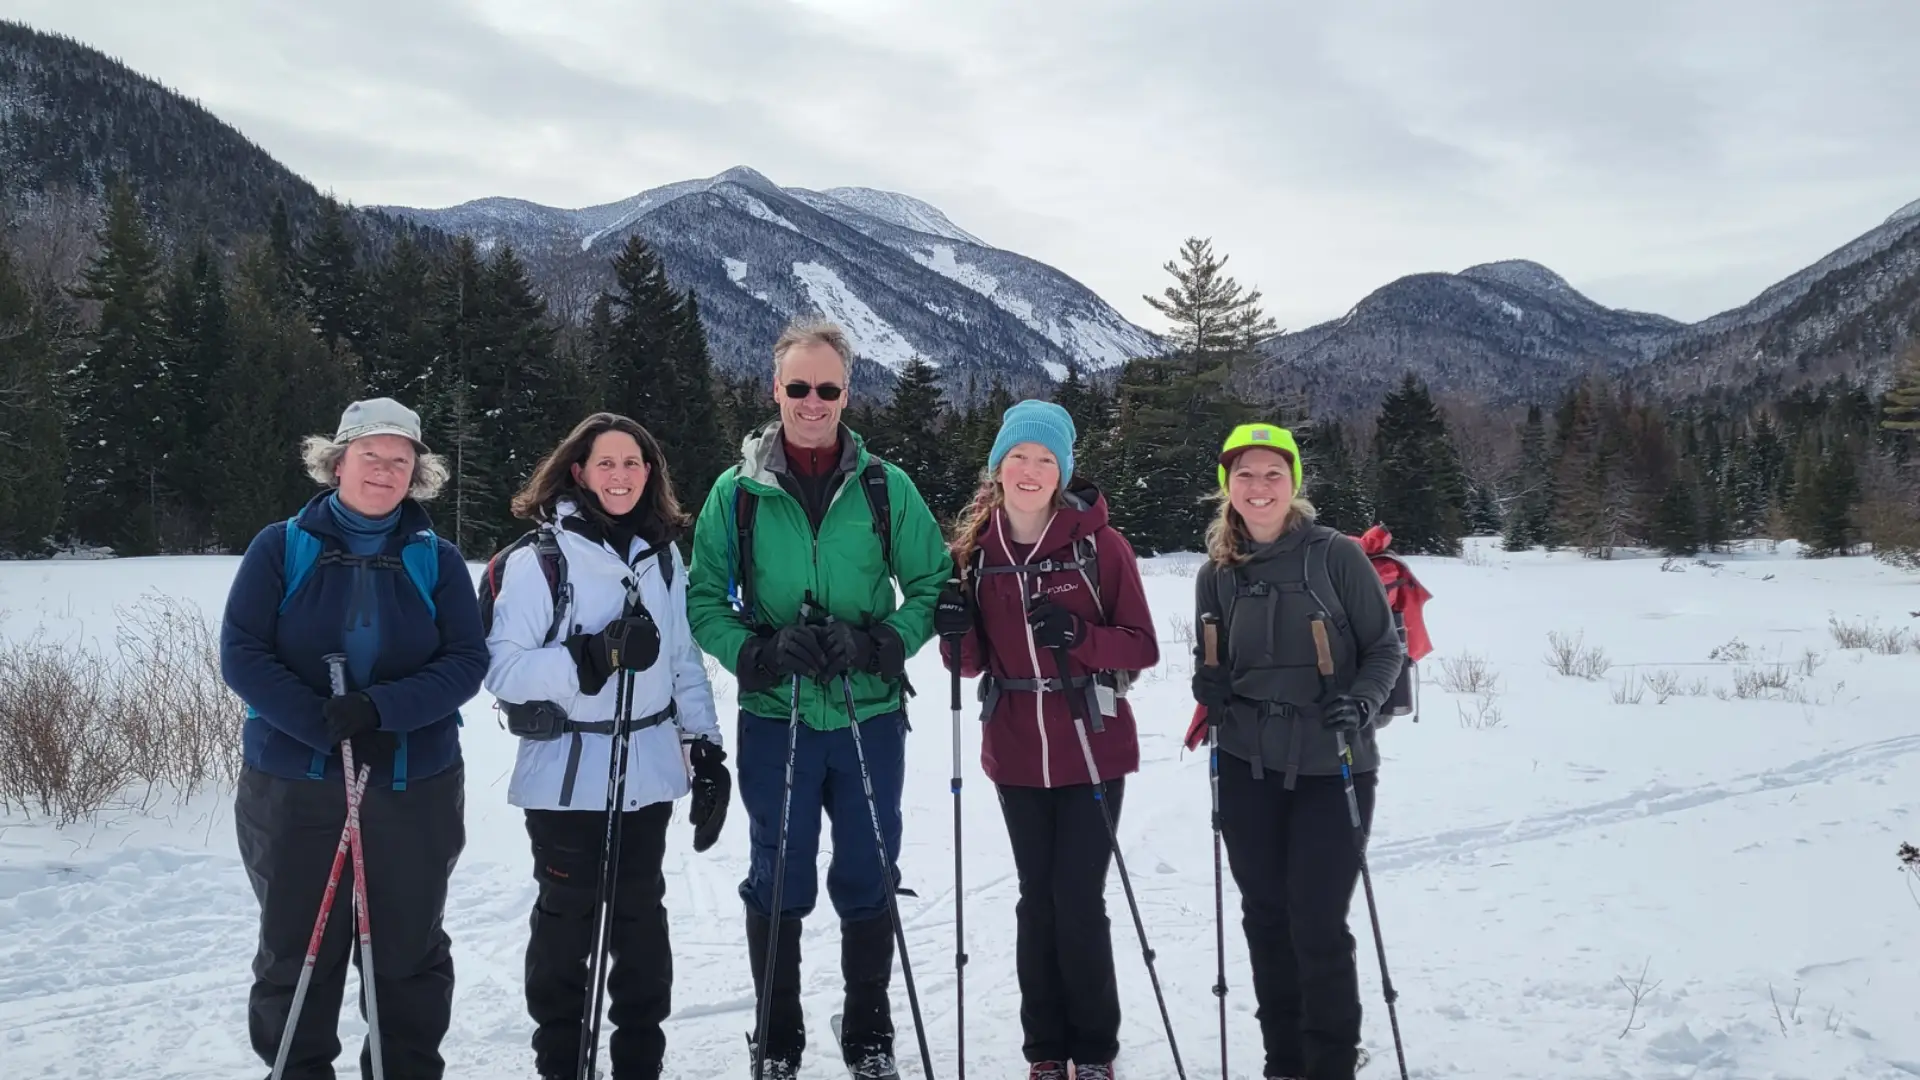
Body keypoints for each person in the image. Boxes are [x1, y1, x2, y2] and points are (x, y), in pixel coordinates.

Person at [685, 318, 952, 1080]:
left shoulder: (882, 486)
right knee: (780, 869)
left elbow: (931, 584)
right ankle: (778, 1033)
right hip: (779, 715)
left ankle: (868, 1024)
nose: (811, 401)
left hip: (867, 714)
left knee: (870, 864)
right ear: (775, 389)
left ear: (846, 392)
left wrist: (881, 643)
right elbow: (705, 598)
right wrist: (756, 651)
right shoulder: (735, 493)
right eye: (797, 387)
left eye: (826, 388)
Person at [220, 396, 487, 1080]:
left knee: (407, 952)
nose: (386, 470)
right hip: (294, 785)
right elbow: (244, 654)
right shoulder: (281, 547)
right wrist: (323, 724)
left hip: (412, 783)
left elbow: (465, 661)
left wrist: (380, 711)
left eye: (402, 460)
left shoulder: (439, 558)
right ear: (337, 461)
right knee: (296, 949)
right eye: (372, 455)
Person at [482, 412, 728, 1080]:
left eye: (633, 463)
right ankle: (561, 1065)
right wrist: (590, 657)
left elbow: (681, 662)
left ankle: (638, 1066)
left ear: (651, 474)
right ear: (578, 472)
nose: (621, 476)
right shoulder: (543, 559)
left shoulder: (664, 557)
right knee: (566, 922)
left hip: (646, 771)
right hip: (565, 771)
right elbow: (500, 668)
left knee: (640, 921)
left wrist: (705, 750)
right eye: (607, 463)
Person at [934, 400, 1159, 1080]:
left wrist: (1080, 637)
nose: (1030, 471)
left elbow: (1142, 646)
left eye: (1045, 460)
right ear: (998, 467)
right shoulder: (976, 549)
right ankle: (1045, 1050)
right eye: (1018, 458)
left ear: (1062, 471)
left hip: (1091, 741)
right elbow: (969, 664)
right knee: (1037, 899)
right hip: (1015, 750)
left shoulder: (1099, 546)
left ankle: (1094, 1049)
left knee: (1078, 897)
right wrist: (953, 625)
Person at [1189, 422, 1406, 1080]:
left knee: (1315, 919)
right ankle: (1283, 1060)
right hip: (1246, 760)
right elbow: (1212, 657)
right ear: (1228, 485)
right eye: (1246, 475)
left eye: (1272, 474)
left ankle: (1330, 1061)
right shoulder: (1216, 573)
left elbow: (1385, 647)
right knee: (1265, 915)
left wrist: (1362, 702)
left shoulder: (1335, 556)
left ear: (1293, 483)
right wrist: (1209, 685)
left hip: (1330, 761)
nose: (1259, 487)